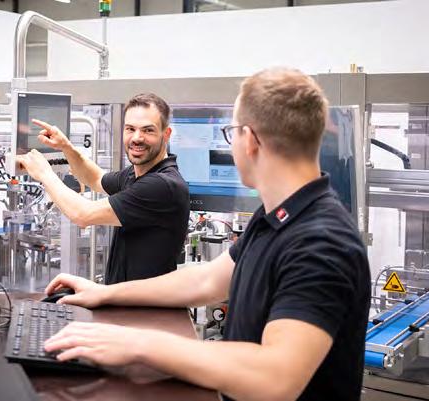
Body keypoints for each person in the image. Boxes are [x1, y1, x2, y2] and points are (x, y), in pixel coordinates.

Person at [41, 68, 371, 401]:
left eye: (231, 133)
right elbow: (206, 280)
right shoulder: (276, 217)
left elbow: (276, 378)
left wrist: (140, 343)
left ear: (249, 140)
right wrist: (104, 293)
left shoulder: (320, 242)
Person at [16, 93, 190, 284]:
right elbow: (96, 178)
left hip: (145, 303)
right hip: (122, 298)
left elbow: (82, 215)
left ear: (166, 134)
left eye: (148, 130)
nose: (137, 138)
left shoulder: (162, 185)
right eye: (130, 129)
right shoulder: (136, 174)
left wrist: (44, 174)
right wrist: (66, 147)